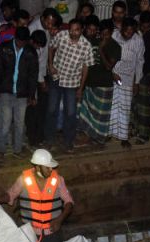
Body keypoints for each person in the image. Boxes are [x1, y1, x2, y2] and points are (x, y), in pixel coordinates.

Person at [46, 18, 95, 151]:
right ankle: (50, 140)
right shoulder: (61, 35)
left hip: (72, 83)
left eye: (76, 30)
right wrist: (50, 65)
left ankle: (68, 142)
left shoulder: (86, 45)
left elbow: (86, 68)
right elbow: (51, 48)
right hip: (56, 78)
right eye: (71, 30)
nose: (73, 33)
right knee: (51, 110)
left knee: (71, 113)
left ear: (82, 30)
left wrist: (80, 88)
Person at [0, 26, 38, 159]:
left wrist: (31, 94)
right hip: (5, 91)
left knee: (19, 123)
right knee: (5, 123)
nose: (21, 44)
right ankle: (1, 149)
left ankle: (17, 149)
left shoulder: (30, 51)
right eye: (19, 41)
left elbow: (33, 75)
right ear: (15, 38)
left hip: (22, 93)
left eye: (23, 42)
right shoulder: (4, 48)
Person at [79, 18, 121, 145]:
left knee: (101, 115)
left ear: (112, 32)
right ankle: (90, 136)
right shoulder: (94, 41)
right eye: (102, 33)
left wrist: (101, 49)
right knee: (89, 112)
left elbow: (109, 67)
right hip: (90, 82)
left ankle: (100, 138)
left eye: (107, 34)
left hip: (104, 84)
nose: (104, 36)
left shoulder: (115, 46)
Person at [26, 8, 61, 148]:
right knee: (33, 108)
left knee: (42, 107)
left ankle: (39, 136)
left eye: (52, 23)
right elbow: (35, 62)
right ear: (43, 18)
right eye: (48, 22)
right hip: (35, 76)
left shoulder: (48, 28)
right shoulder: (33, 29)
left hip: (44, 73)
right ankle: (33, 138)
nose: (49, 25)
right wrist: (41, 81)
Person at [130, 13, 150, 144]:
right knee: (134, 104)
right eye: (143, 25)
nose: (144, 27)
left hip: (146, 75)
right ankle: (135, 129)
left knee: (144, 106)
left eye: (147, 26)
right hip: (134, 74)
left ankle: (144, 135)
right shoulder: (137, 35)